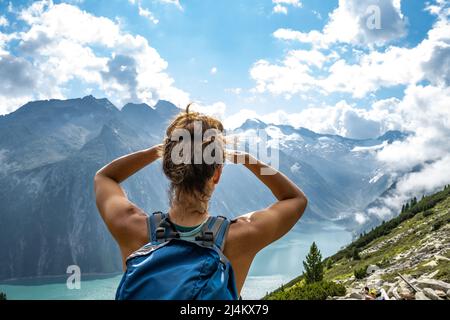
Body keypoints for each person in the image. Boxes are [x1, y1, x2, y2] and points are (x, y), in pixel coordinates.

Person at [94, 104, 308, 298]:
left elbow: (105, 177)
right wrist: (247, 159)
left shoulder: (133, 228)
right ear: (216, 174)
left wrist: (160, 150)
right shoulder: (240, 237)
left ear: (168, 170)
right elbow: (295, 199)